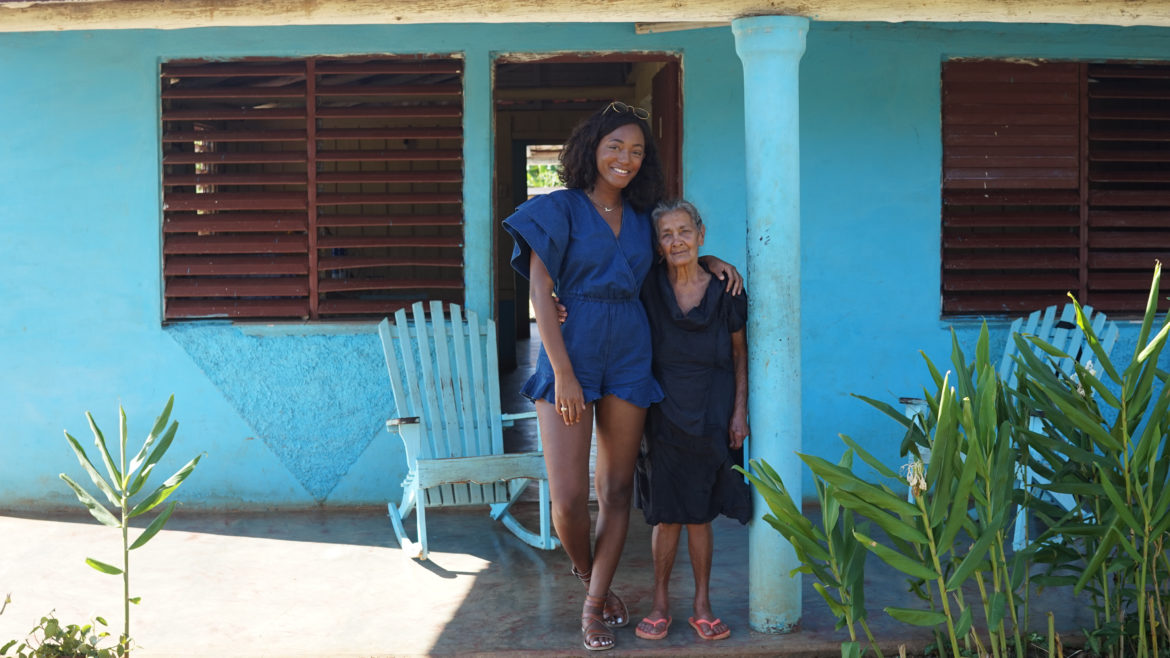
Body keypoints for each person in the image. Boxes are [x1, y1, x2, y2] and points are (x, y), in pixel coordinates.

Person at [502, 101, 742, 652]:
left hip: (632, 352)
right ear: (591, 149)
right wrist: (563, 373)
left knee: (614, 490)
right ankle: (591, 576)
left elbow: (676, 252)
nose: (625, 159)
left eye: (636, 151)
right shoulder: (558, 207)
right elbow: (540, 292)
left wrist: (709, 262)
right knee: (566, 500)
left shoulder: (642, 217)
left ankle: (593, 607)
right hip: (573, 349)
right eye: (615, 147)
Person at [632, 199, 752, 643]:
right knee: (666, 515)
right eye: (667, 234)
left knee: (700, 514)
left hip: (713, 410)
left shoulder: (727, 290)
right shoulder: (648, 287)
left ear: (701, 233)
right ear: (658, 244)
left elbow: (741, 355)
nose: (676, 240)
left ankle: (702, 604)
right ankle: (660, 603)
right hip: (661, 411)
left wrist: (740, 411)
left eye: (685, 231)